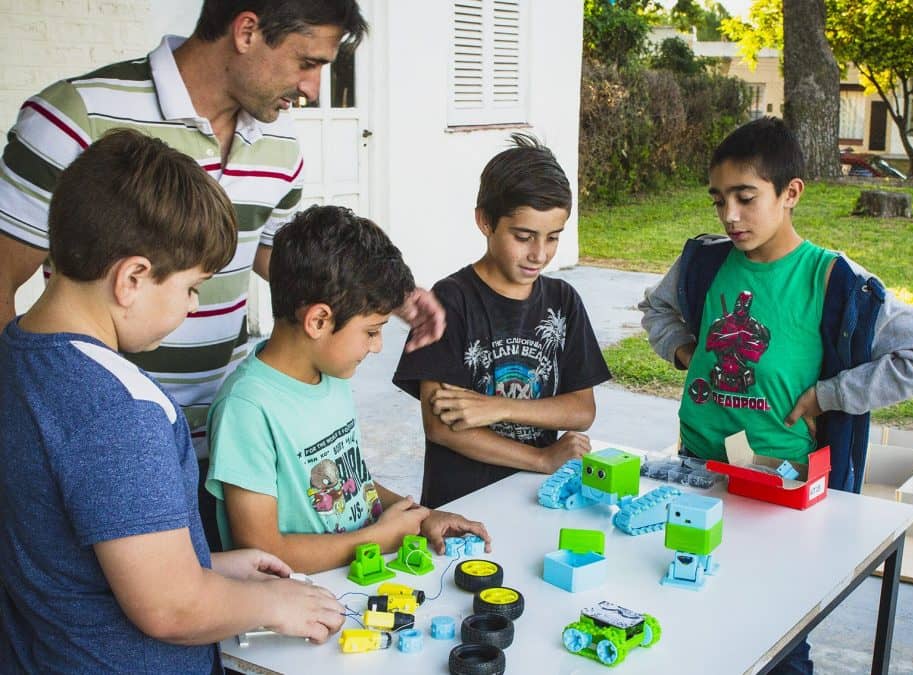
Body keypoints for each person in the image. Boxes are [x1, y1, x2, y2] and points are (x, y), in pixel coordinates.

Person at [0, 0, 444, 551]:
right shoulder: (75, 115)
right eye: (307, 61)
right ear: (247, 30)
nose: (310, 87)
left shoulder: (281, 146)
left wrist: (381, 297)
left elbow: (288, 266)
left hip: (225, 445)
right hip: (104, 455)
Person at [0, 129, 345, 674]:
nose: (192, 305)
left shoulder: (19, 356)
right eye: (192, 287)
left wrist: (212, 565)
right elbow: (170, 607)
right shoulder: (120, 410)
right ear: (133, 278)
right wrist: (274, 603)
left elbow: (84, 556)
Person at [638, 116, 913, 674]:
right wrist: (686, 354)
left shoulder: (833, 281)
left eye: (745, 197)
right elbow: (656, 310)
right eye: (719, 200)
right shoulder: (704, 262)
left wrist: (831, 394)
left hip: (780, 490)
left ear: (791, 193)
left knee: (777, 638)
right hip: (699, 469)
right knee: (691, 613)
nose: (730, 216)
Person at [206, 205, 491, 573]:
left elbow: (352, 488)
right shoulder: (247, 409)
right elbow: (260, 550)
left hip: (354, 586)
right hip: (300, 609)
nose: (377, 346)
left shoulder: (331, 375)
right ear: (319, 321)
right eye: (372, 331)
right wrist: (377, 539)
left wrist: (422, 518)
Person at [393, 134, 612, 509]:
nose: (539, 254)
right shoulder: (450, 303)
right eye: (524, 236)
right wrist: (541, 459)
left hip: (540, 499)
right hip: (463, 504)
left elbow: (582, 410)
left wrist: (499, 407)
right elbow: (442, 427)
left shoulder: (564, 301)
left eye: (553, 237)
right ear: (485, 222)